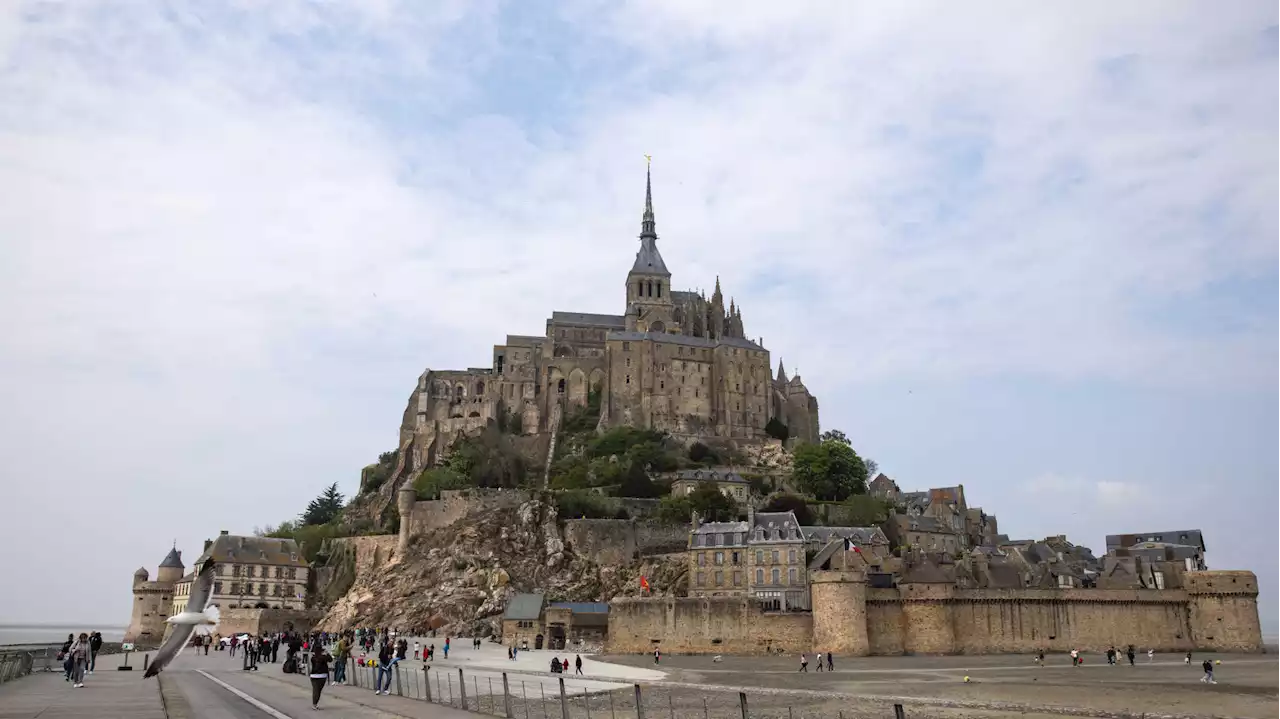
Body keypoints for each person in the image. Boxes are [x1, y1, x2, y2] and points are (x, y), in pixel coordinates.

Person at [309, 644, 333, 710]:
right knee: (318, 690)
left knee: (315, 690)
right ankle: (315, 704)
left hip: (313, 675)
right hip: (322, 675)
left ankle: (314, 704)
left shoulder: (313, 657)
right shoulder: (323, 657)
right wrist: (327, 653)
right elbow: (330, 659)